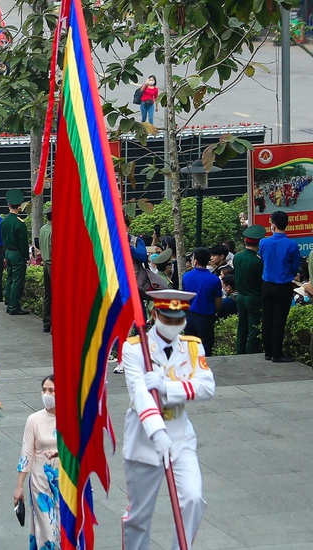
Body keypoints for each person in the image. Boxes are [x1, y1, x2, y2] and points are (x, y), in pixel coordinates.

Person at [120, 290, 215, 550]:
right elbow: (139, 394)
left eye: (178, 320)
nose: (173, 325)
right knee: (139, 515)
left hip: (180, 433)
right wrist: (157, 432)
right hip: (144, 436)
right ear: (154, 314)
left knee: (193, 499)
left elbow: (207, 387)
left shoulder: (192, 347)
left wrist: (167, 388)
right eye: (167, 319)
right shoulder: (134, 349)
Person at [14, 375, 59, 550]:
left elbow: (80, 447)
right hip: (40, 482)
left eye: (51, 390)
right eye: (44, 390)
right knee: (47, 531)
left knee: (65, 529)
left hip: (66, 481)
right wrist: (19, 485)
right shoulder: (34, 420)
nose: (46, 394)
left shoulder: (71, 418)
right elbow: (26, 453)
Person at [259, 210, 301, 362]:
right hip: (283, 285)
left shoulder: (264, 242)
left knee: (267, 317)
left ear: (273, 225)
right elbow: (295, 266)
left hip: (267, 285)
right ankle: (277, 353)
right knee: (279, 319)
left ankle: (268, 352)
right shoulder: (291, 245)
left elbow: (263, 259)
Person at [181, 247, 221, 355]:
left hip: (189, 316)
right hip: (206, 317)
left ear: (195, 261)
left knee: (190, 347)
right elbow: (218, 301)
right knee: (206, 348)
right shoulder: (215, 279)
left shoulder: (186, 276)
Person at [234, 225, 265, 354]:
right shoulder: (257, 261)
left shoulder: (237, 257)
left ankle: (239, 353)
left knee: (242, 328)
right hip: (254, 298)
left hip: (240, 297)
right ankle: (250, 355)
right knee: (253, 330)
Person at [1, 189, 30, 315]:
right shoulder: (20, 224)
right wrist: (27, 257)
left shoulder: (3, 222)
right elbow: (23, 244)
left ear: (8, 205)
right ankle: (14, 307)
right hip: (17, 254)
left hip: (7, 252)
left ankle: (8, 302)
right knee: (17, 281)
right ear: (20, 206)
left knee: (9, 278)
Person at [39, 205, 53, 333]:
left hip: (45, 263)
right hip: (53, 265)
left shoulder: (43, 229)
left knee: (47, 295)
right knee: (57, 295)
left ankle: (46, 323)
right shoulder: (55, 230)